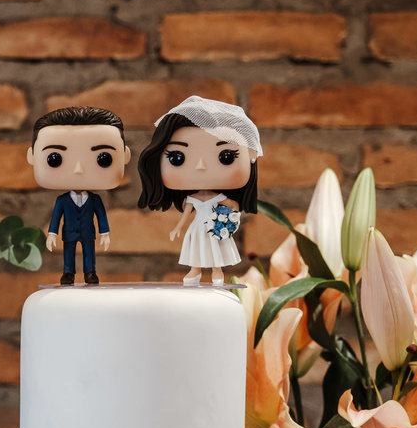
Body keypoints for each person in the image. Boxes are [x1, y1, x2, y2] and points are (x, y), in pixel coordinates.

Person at [137, 96, 261, 286]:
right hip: (197, 227)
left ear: (251, 154)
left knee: (214, 251)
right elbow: (186, 213)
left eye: (226, 156)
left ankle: (217, 272)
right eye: (177, 157)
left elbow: (232, 205)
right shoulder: (192, 198)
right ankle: (194, 271)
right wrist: (177, 228)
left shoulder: (219, 197)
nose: (201, 166)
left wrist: (230, 217)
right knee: (196, 250)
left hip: (213, 228)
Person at [27, 106, 130, 285]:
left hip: (88, 232)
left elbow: (101, 215)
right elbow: (56, 217)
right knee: (68, 253)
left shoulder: (95, 200)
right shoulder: (62, 200)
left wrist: (105, 233)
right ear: (32, 156)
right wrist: (52, 234)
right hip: (69, 233)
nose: (78, 169)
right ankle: (68, 273)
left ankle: (90, 272)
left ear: (125, 155)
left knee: (89, 253)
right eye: (55, 159)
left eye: (103, 158)